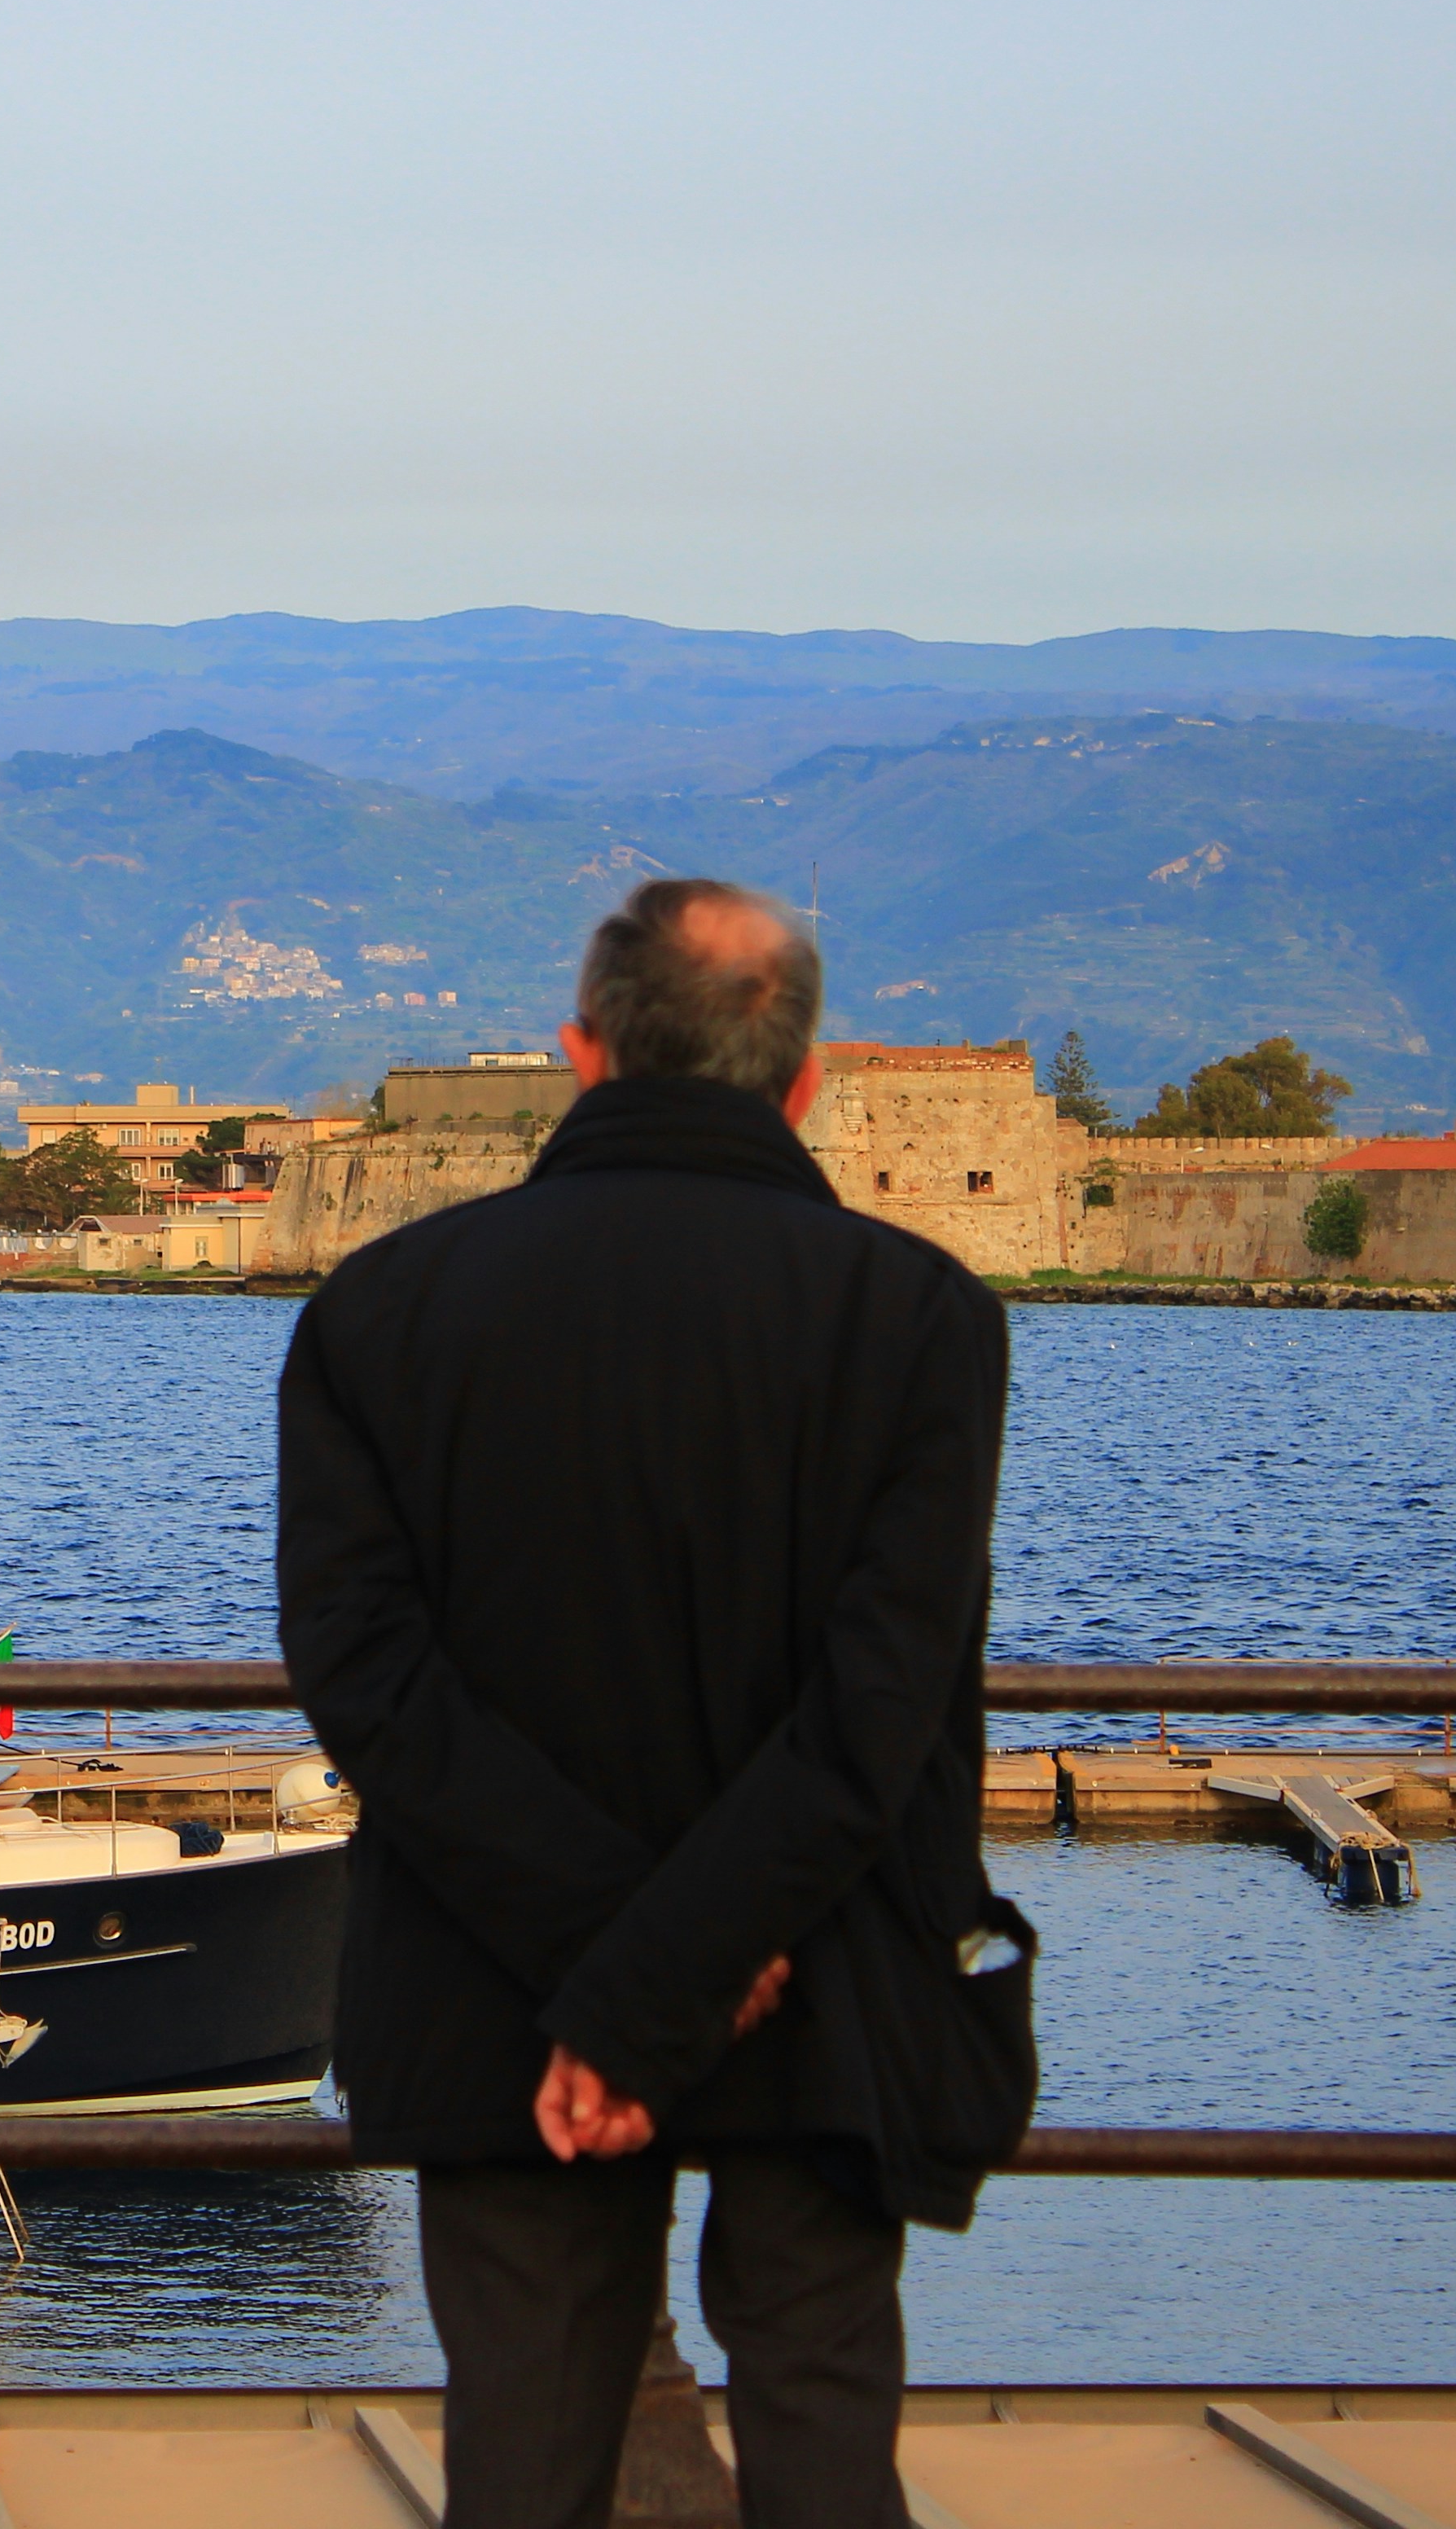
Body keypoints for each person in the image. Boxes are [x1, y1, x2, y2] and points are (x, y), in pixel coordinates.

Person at [277, 877, 1016, 2529]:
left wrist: (610, 1983)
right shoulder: (921, 1323)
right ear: (808, 1078)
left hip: (498, 1993)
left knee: (528, 2454)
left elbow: (364, 1675)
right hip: (817, 1974)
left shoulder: (379, 1316)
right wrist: (675, 1974)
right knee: (826, 2433)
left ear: (580, 1051)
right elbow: (878, 1706)